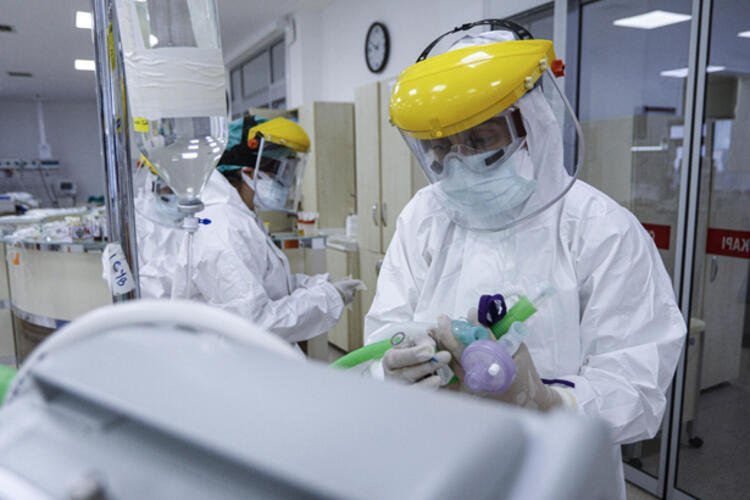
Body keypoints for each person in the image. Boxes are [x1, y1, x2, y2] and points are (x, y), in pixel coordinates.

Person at [364, 21, 685, 498]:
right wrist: (389, 371)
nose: (459, 161)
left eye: (480, 140)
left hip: (559, 474)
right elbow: (382, 335)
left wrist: (549, 401)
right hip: (438, 462)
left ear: (531, 125)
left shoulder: (601, 229)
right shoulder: (423, 218)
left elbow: (638, 386)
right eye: (440, 147)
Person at [134, 115, 363, 343]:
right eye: (282, 173)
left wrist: (317, 286)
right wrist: (327, 299)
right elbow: (255, 324)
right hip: (233, 360)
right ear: (248, 172)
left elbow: (269, 284)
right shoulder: (223, 227)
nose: (286, 183)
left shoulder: (241, 216)